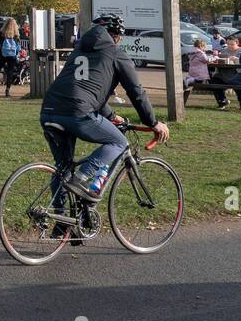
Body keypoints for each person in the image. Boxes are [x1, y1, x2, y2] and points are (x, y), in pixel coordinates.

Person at [40, 14, 169, 206]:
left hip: (49, 110)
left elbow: (85, 89)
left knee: (63, 169)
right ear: (116, 36)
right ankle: (82, 177)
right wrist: (153, 122)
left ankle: (61, 223)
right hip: (77, 113)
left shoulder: (78, 51)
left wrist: (110, 116)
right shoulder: (115, 52)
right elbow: (136, 91)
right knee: (119, 142)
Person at [185, 37, 226, 109]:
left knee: (198, 79)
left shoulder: (193, 52)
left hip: (193, 70)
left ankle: (189, 79)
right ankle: (189, 80)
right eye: (205, 47)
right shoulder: (200, 53)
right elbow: (206, 60)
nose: (205, 48)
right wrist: (215, 57)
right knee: (202, 81)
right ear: (201, 46)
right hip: (200, 71)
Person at [0, 18, 21, 97]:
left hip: (2, 55)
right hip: (12, 56)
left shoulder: (1, 33)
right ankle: (7, 91)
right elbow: (18, 48)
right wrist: (15, 53)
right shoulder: (16, 35)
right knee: (10, 72)